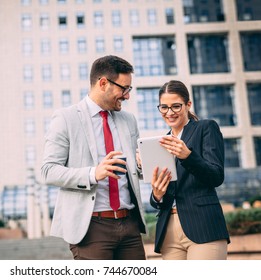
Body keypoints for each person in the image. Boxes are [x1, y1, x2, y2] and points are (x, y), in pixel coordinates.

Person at [41, 55, 147, 260]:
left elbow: (135, 169)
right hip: (91, 228)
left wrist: (143, 165)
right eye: (124, 89)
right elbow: (48, 170)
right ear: (103, 83)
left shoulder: (128, 120)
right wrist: (93, 173)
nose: (127, 96)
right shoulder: (66, 118)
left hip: (130, 226)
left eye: (129, 90)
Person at [144, 80, 230, 260]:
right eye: (164, 107)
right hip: (169, 230)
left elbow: (216, 176)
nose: (170, 113)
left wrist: (188, 156)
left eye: (176, 106)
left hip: (203, 225)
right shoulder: (160, 143)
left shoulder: (205, 128)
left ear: (188, 104)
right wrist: (157, 195)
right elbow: (160, 197)